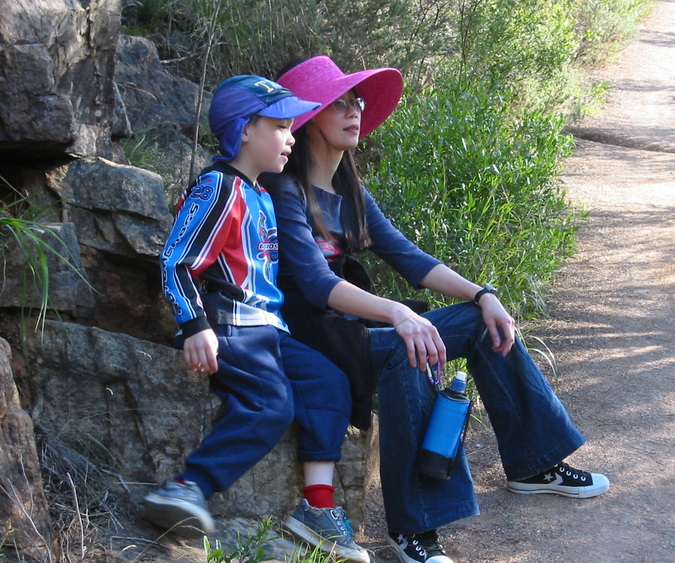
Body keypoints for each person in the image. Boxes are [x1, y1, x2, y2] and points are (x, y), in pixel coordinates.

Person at [261, 56, 610, 563]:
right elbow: (314, 285)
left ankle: (534, 464)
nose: (354, 110)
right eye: (339, 102)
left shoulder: (350, 191)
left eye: (357, 100)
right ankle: (413, 528)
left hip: (351, 326)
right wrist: (399, 315)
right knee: (409, 346)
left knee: (476, 322)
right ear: (310, 116)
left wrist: (481, 293)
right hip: (311, 338)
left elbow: (410, 259)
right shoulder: (282, 189)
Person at [143, 74, 370, 563]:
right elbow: (176, 260)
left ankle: (317, 508)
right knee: (272, 405)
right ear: (245, 129)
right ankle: (187, 487)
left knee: (331, 384)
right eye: (282, 126)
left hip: (271, 331)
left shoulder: (262, 194)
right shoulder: (218, 187)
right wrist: (194, 325)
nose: (292, 137)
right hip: (231, 327)